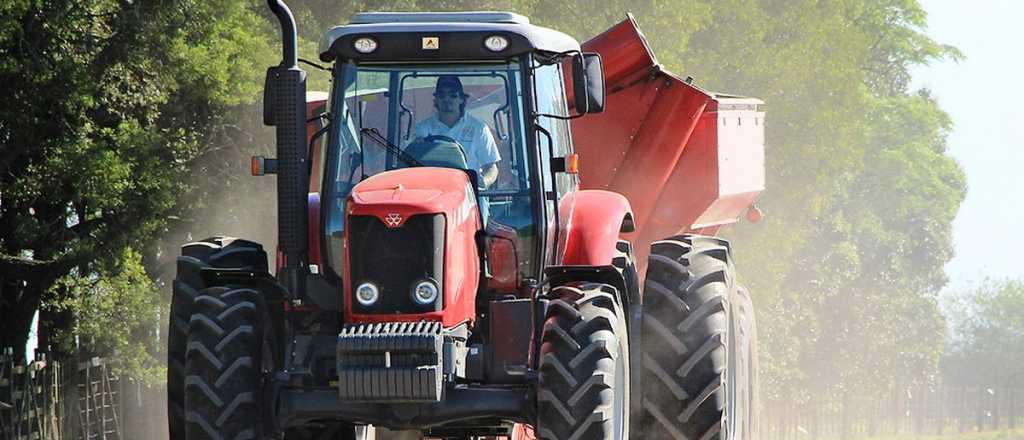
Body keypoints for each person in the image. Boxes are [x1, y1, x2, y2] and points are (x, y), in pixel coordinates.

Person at [411, 75, 501, 188]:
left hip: (468, 191)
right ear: (436, 100)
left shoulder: (479, 128)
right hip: (434, 189)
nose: (447, 99)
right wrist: (418, 145)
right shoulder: (423, 128)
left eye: (453, 95)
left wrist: (483, 184)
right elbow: (413, 159)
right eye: (442, 95)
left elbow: (491, 167)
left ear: (461, 99)